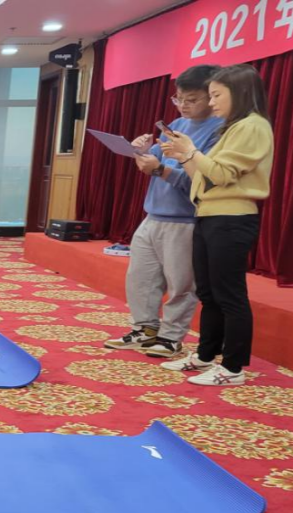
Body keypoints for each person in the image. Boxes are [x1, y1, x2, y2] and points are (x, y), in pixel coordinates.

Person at [160, 64, 274, 387]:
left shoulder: (252, 126)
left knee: (229, 294)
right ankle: (206, 355)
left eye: (216, 95)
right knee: (208, 292)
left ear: (239, 93)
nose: (211, 103)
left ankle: (233, 367)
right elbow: (204, 177)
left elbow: (221, 175)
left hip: (231, 218)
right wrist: (184, 156)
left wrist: (190, 151)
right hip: (209, 214)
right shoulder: (232, 127)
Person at [103, 65, 223, 357]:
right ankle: (144, 329)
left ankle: (170, 337)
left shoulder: (220, 131)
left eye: (192, 99)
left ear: (212, 97)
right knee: (140, 278)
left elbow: (203, 181)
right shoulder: (177, 124)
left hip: (186, 219)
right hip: (153, 214)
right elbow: (154, 161)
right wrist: (140, 150)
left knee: (181, 284)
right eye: (178, 99)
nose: (183, 105)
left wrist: (159, 170)